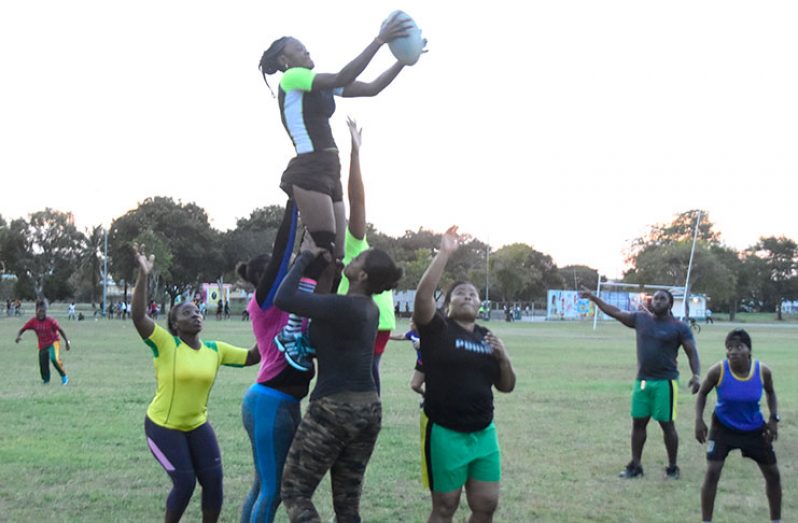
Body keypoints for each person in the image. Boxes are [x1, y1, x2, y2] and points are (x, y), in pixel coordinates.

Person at [275, 237, 403, 522]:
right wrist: (331, 274)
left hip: (334, 409)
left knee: (295, 492)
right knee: (347, 506)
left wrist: (304, 259)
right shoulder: (368, 309)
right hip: (368, 410)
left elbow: (283, 299)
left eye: (357, 260)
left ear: (362, 275)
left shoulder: (344, 308)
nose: (351, 260)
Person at [131, 246, 261, 523]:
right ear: (175, 324)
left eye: (197, 311)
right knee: (185, 483)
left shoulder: (215, 349)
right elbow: (139, 317)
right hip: (162, 427)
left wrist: (275, 321)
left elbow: (252, 357)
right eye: (187, 313)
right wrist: (143, 276)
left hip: (197, 425)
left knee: (214, 482)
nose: (196, 315)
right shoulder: (167, 344)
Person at [413, 226, 516, 523]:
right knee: (445, 507)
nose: (468, 296)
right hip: (446, 432)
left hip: (484, 433)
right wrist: (444, 253)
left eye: (473, 294)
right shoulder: (438, 330)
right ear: (447, 305)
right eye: (460, 293)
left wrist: (504, 359)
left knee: (486, 506)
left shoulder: (488, 337)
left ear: (481, 304)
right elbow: (422, 300)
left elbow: (506, 386)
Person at [237, 201, 324, 523]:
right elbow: (283, 247)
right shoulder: (264, 302)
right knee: (273, 490)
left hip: (280, 402)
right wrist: (294, 202)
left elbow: (314, 265)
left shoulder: (292, 296)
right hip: (269, 402)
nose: (290, 268)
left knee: (264, 484)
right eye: (283, 266)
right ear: (269, 274)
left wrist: (316, 229)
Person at [580, 288, 701, 479]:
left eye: (662, 299)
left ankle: (672, 467)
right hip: (643, 382)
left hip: (665, 383)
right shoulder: (640, 320)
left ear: (670, 304)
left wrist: (696, 375)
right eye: (655, 299)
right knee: (638, 423)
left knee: (667, 425)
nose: (657, 301)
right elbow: (614, 312)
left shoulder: (679, 327)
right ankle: (635, 466)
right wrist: (594, 298)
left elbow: (691, 351)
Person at [334, 118, 397, 395]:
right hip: (373, 319)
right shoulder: (331, 253)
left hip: (367, 321)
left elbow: (357, 200)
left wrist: (355, 153)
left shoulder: (352, 243)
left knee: (360, 387)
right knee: (364, 384)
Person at [695, 329, 781, 523]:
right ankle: (706, 520)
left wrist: (774, 419)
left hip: (753, 429)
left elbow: (771, 393)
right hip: (723, 427)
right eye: (730, 348)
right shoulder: (718, 370)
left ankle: (776, 519)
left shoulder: (762, 371)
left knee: (773, 474)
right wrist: (698, 420)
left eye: (739, 347)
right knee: (712, 472)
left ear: (749, 351)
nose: (733, 351)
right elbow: (702, 393)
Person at [14, 301, 71, 385]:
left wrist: (67, 342)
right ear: (36, 311)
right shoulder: (33, 321)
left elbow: (60, 330)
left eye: (43, 312)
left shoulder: (51, 321)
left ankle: (64, 376)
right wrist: (18, 337)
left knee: (54, 358)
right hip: (43, 345)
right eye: (39, 311)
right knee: (43, 363)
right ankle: (46, 380)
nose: (41, 314)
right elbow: (22, 329)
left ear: (45, 312)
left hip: (53, 342)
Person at [390, 320, 423, 396]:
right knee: (415, 385)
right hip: (421, 363)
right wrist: (388, 336)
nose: (410, 324)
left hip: (432, 364)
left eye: (412, 322)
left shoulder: (428, 332)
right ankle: (425, 396)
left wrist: (423, 343)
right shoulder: (412, 333)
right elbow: (402, 336)